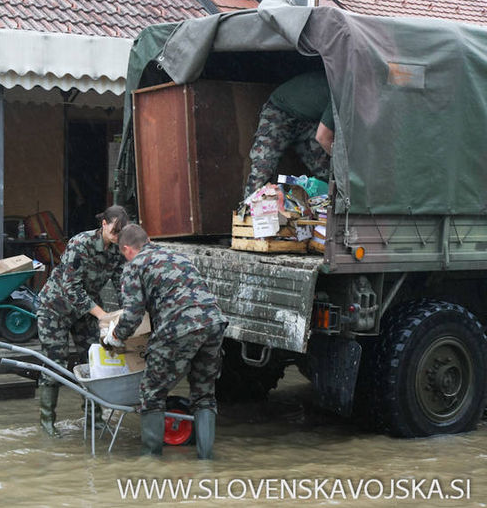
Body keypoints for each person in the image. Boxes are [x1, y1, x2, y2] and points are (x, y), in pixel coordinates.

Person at [103, 224, 227, 459]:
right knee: (204, 395)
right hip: (213, 323)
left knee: (151, 394)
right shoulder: (178, 256)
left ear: (127, 249)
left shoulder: (134, 267)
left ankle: (151, 462)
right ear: (148, 239)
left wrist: (115, 336)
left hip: (179, 328)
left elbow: (132, 315)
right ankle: (206, 460)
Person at [36, 205, 129, 437]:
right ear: (104, 224)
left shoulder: (118, 250)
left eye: (121, 233)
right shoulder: (80, 244)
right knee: (54, 363)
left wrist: (130, 312)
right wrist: (102, 315)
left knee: (93, 360)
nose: (117, 237)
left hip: (86, 312)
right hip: (55, 308)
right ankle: (47, 422)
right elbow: (71, 287)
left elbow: (121, 283)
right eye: (114, 231)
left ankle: (93, 419)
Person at [243, 70, 335, 199]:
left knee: (327, 171)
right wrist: (344, 163)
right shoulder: (341, 92)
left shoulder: (349, 92)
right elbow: (323, 137)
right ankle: (248, 211)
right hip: (279, 111)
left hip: (308, 121)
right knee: (263, 168)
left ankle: (328, 210)